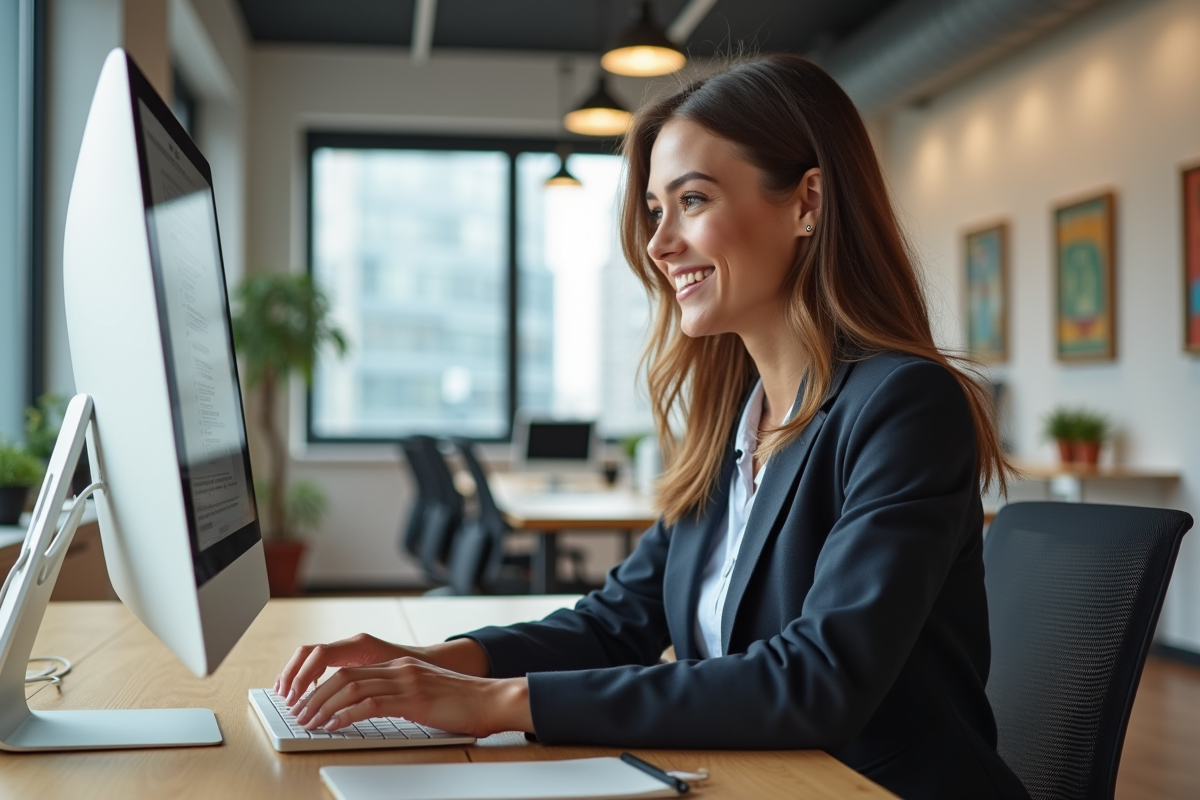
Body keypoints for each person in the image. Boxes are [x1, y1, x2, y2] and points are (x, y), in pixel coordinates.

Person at [275, 54, 1031, 800]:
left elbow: (817, 681)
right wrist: (433, 662)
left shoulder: (902, 406)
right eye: (655, 211)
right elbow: (616, 623)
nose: (659, 244)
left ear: (808, 203)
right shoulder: (731, 423)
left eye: (692, 201)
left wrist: (495, 704)